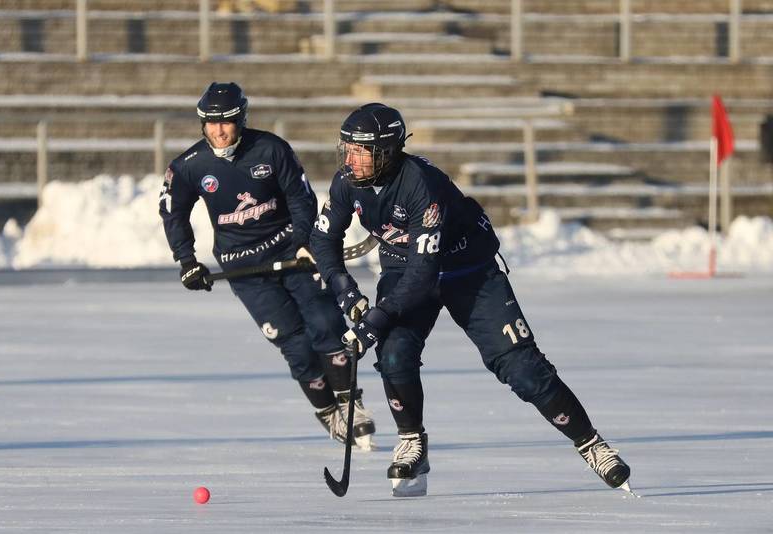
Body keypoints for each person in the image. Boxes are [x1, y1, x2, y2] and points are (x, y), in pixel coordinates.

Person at [310, 103, 631, 497]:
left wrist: (374, 321)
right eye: (348, 149)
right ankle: (412, 442)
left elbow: (423, 275)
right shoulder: (347, 182)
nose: (351, 160)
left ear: (388, 151)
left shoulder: (421, 185)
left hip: (468, 272)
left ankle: (591, 444)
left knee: (522, 369)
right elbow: (323, 239)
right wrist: (346, 293)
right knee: (393, 355)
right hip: (402, 270)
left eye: (362, 151)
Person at [158, 82, 375, 450]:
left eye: (226, 122)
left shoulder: (272, 149)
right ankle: (328, 413)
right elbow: (172, 212)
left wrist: (306, 241)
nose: (219, 131)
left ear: (240, 119)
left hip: (291, 253)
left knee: (326, 324)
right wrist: (187, 260)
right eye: (210, 123)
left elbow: (301, 198)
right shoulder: (188, 167)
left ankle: (351, 401)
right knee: (292, 341)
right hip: (244, 269)